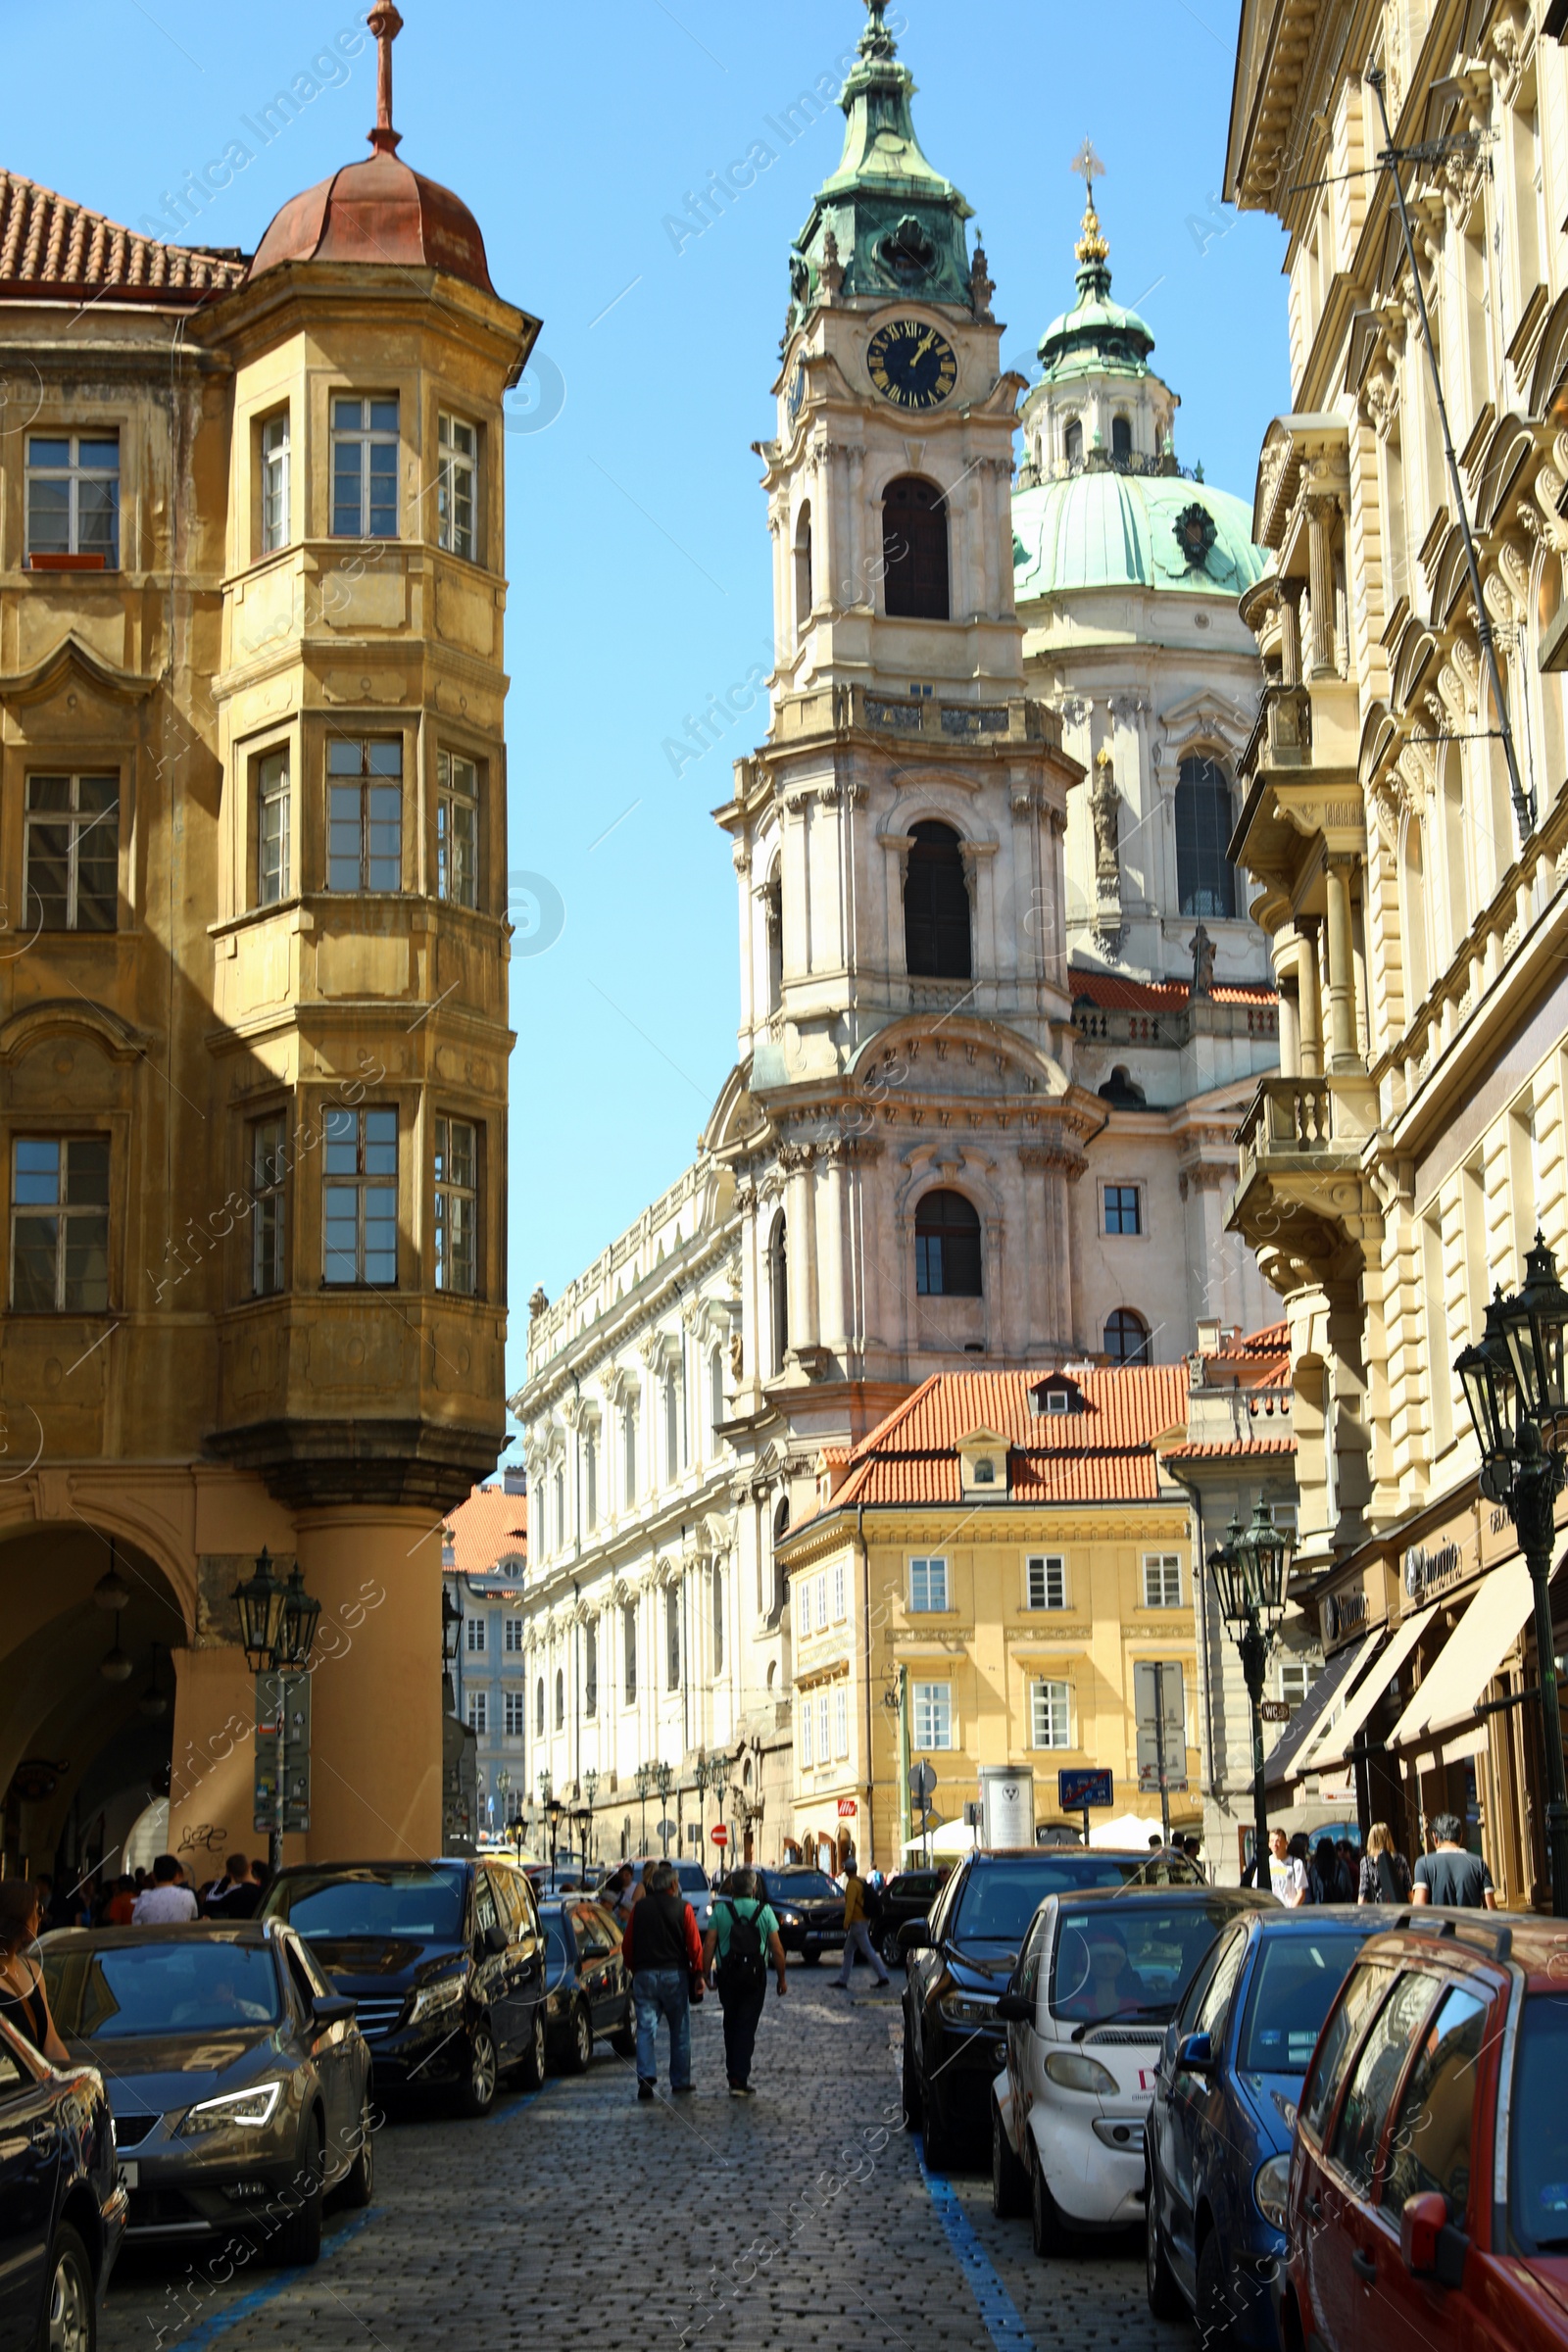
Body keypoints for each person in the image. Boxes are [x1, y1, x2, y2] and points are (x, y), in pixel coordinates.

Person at [703, 1867, 787, 2097]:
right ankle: (740, 2076)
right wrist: (782, 1978)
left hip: (727, 1976)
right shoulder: (765, 1911)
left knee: (730, 2022)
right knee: (746, 2025)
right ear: (754, 1888)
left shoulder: (721, 1911)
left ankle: (734, 2073)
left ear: (731, 1888)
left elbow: (709, 1944)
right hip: (754, 1976)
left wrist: (705, 1974)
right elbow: (777, 1949)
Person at [622, 1860, 702, 2101]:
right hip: (674, 1975)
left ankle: (646, 2077)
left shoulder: (639, 1909)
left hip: (645, 1974)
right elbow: (694, 1945)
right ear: (674, 1885)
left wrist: (636, 1969)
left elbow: (627, 1946)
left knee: (646, 2028)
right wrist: (698, 1973)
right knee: (680, 2029)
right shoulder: (683, 1908)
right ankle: (680, 2081)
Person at [0, 1882, 71, 2063]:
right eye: (38, 1910)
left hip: (36, 2086)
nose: (41, 1916)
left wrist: (68, 2081)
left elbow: (51, 2041)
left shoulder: (32, 1969)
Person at [1411, 1814, 1496, 1910]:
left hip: (1438, 1925)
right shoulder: (1478, 1863)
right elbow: (1490, 1909)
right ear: (1460, 1836)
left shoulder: (1423, 1864)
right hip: (1471, 1925)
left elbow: (1419, 1906)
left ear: (1434, 1836)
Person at [832, 1860, 889, 1989]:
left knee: (867, 1950)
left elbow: (850, 1906)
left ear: (847, 1870)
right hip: (863, 1920)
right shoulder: (860, 1881)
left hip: (857, 1921)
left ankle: (883, 1976)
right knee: (848, 1950)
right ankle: (842, 1979)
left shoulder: (852, 1884)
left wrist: (846, 1923)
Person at [131, 1854, 198, 1924]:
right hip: (180, 1934)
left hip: (153, 1934)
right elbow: (194, 1916)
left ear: (153, 1875)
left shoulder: (143, 1899)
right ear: (175, 1875)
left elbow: (136, 1925)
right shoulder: (188, 1895)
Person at [1357, 1822, 1412, 1905]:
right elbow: (1408, 1888)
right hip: (1399, 1909)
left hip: (1379, 1910)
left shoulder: (1366, 1862)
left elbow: (1363, 1892)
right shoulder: (1400, 1859)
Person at [205, 1853, 259, 1920]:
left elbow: (210, 1901)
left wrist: (225, 1881)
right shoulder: (264, 1889)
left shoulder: (236, 1892)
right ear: (250, 1867)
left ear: (230, 1874)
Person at [1267, 1827, 1309, 1906]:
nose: (1275, 1844)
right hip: (1271, 1914)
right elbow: (1257, 1889)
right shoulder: (1265, 1863)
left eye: (1278, 1841)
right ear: (1269, 1844)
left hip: (1289, 1914)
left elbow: (1301, 1893)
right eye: (1272, 1841)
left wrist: (1290, 1913)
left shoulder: (1296, 1864)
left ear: (1286, 1843)